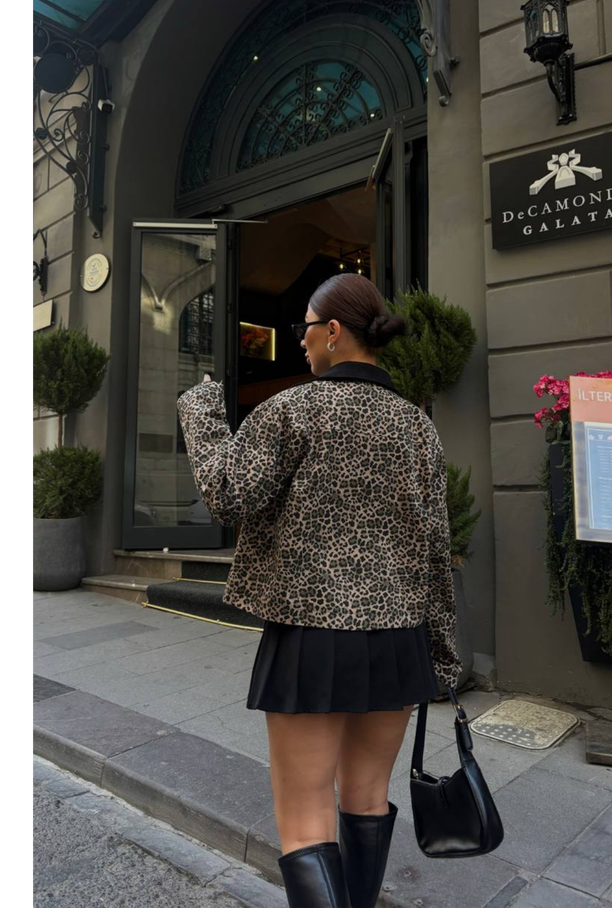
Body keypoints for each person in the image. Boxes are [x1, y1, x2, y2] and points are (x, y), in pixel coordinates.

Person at [177, 272, 461, 908]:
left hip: (311, 637)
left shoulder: (292, 409)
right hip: (398, 638)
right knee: (367, 799)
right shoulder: (417, 427)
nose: (300, 341)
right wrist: (442, 654)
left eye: (304, 329)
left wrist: (200, 410)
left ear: (333, 331)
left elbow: (227, 493)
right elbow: (435, 548)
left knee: (306, 817)